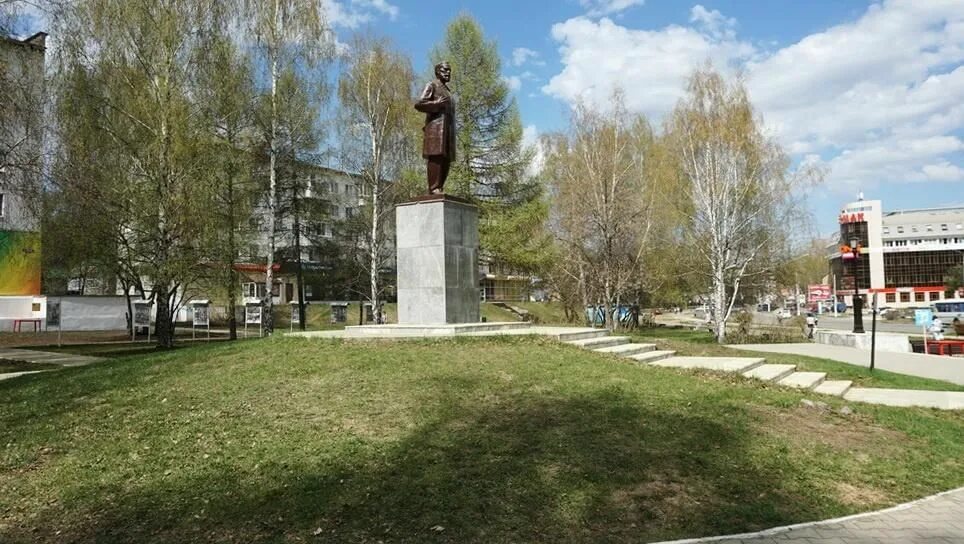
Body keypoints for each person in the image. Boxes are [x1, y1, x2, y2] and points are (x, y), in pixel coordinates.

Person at [414, 61, 455, 194]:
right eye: (445, 70)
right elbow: (419, 104)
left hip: (448, 129)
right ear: (437, 72)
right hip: (436, 129)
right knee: (436, 156)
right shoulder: (432, 85)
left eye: (449, 70)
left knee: (446, 158)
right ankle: (433, 188)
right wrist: (436, 104)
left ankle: (440, 186)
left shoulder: (448, 91)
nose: (448, 73)